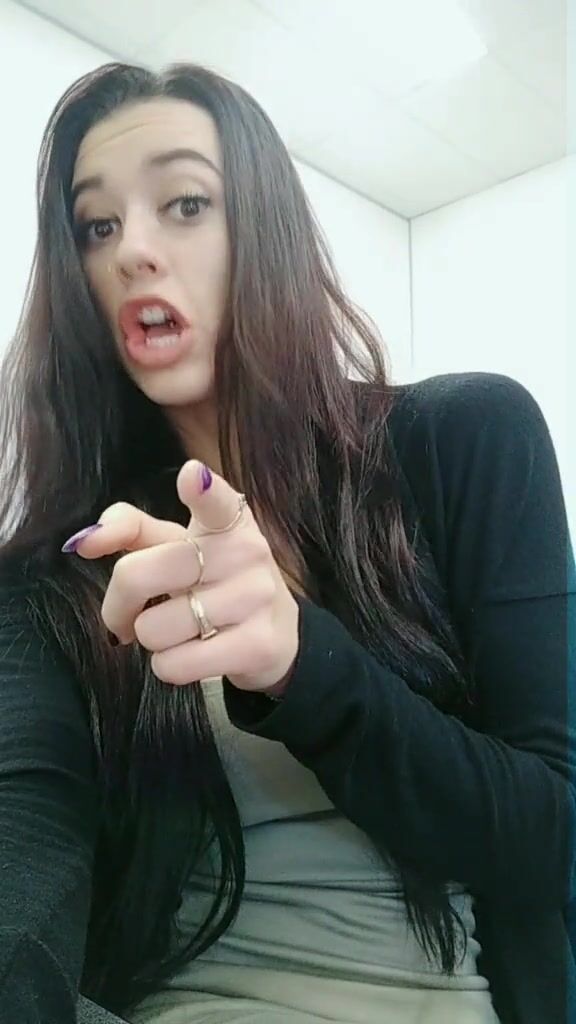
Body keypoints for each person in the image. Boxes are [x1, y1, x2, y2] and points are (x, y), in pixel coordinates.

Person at [0, 60, 574, 1024]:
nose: (132, 250)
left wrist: (304, 664)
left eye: (185, 204)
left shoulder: (466, 438)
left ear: (265, 227)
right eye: (96, 225)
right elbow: (24, 862)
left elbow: (553, 839)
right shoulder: (61, 570)